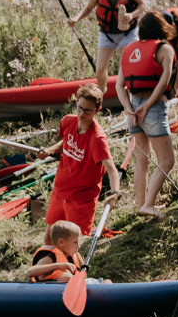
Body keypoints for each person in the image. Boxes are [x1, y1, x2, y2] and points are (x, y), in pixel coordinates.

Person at [35, 86, 123, 233]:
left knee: (72, 245)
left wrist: (115, 193)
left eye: (87, 111)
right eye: (79, 108)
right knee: (49, 238)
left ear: (97, 110)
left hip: (80, 199)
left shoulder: (97, 139)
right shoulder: (68, 121)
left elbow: (112, 170)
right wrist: (49, 151)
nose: (82, 113)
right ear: (76, 103)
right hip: (60, 190)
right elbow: (66, 142)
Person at [119, 12, 177, 220]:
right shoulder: (165, 49)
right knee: (167, 160)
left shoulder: (128, 49)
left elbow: (120, 85)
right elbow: (164, 81)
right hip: (152, 109)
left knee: (142, 161)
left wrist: (129, 109)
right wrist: (148, 106)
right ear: (161, 28)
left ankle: (141, 204)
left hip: (133, 108)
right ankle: (149, 204)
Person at [73, 0, 145, 88]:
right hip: (107, 34)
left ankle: (124, 100)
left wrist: (131, 15)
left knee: (123, 69)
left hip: (128, 33)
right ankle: (102, 92)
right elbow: (89, 8)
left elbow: (142, 5)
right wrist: (76, 18)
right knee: (100, 70)